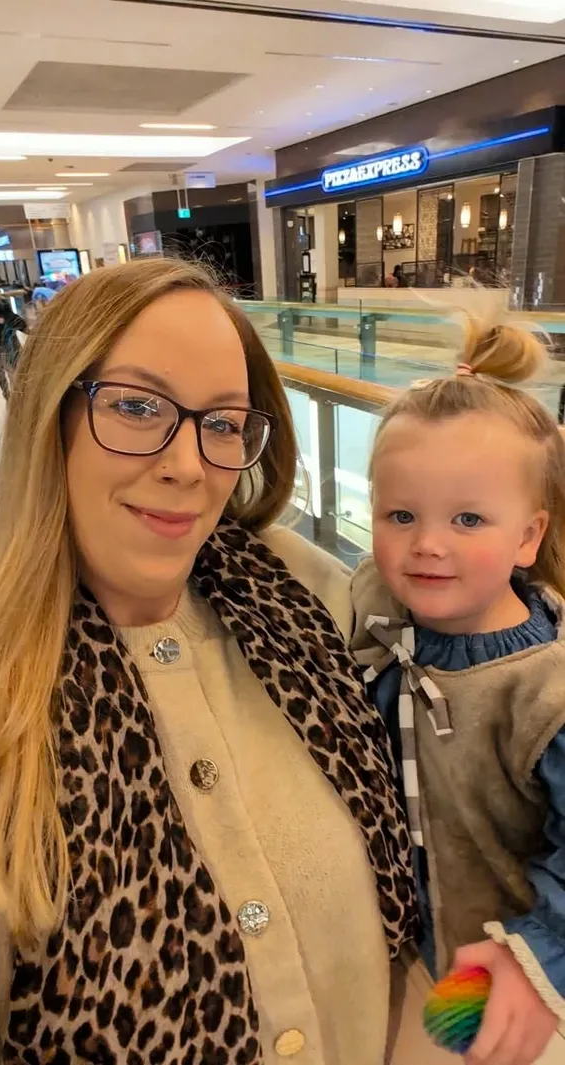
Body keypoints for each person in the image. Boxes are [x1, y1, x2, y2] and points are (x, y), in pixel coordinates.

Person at [0, 257, 416, 1064]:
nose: (188, 465)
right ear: (51, 415)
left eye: (222, 422)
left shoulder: (313, 602)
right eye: (138, 406)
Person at [351, 318, 565, 1065]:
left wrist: (543, 957)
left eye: (467, 518)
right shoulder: (377, 600)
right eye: (400, 515)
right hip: (407, 950)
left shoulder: (547, 693)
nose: (427, 543)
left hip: (508, 979)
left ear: (528, 536)